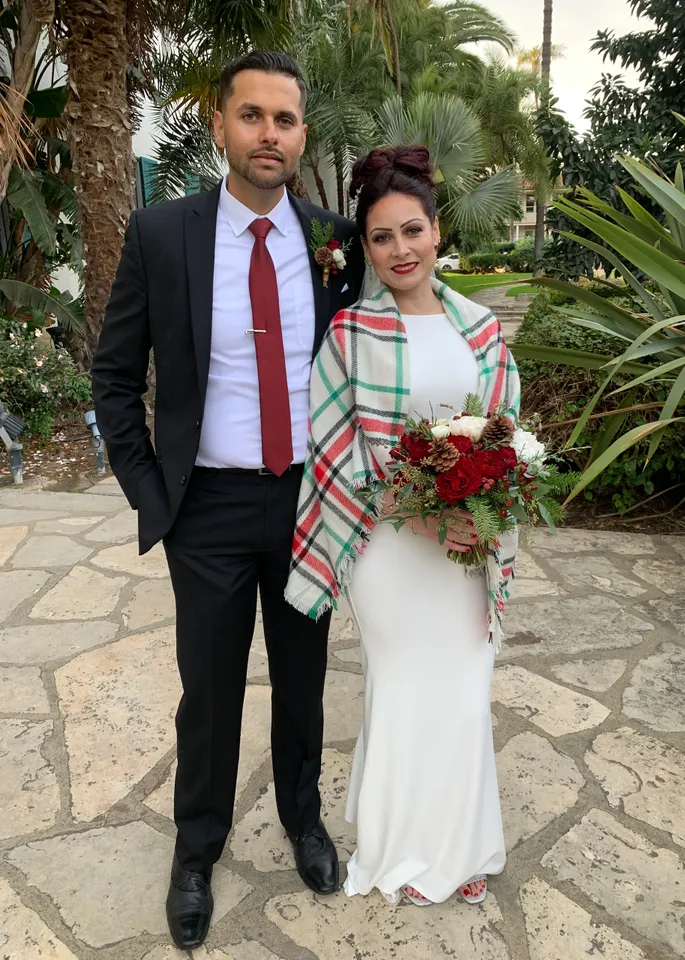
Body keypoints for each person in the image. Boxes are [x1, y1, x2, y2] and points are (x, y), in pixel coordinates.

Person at [91, 50, 365, 949]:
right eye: (252, 116)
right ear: (219, 125)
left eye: (285, 120)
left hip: (305, 504)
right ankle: (196, 852)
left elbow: (369, 357)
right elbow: (115, 375)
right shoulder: (163, 233)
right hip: (204, 509)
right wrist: (151, 491)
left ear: (301, 133)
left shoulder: (335, 243)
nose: (269, 135)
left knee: (302, 678)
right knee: (207, 691)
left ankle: (302, 821)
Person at [286, 145, 520, 907]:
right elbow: (332, 444)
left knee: (463, 689)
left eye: (411, 230)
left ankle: (464, 844)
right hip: (385, 546)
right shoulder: (350, 333)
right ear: (365, 247)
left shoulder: (481, 329)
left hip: (465, 545)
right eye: (380, 238)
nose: (399, 250)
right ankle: (408, 850)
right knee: (407, 686)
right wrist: (420, 515)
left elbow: (506, 434)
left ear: (437, 231)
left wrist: (476, 514)